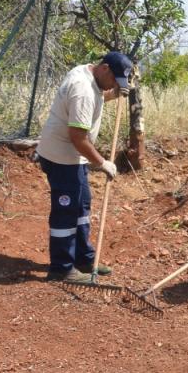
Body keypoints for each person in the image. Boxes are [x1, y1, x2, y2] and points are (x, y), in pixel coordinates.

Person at [35, 52, 133, 284]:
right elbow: (78, 137)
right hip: (61, 158)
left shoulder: (89, 73)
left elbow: (99, 93)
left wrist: (115, 93)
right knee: (66, 212)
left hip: (73, 158)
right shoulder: (82, 90)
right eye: (114, 81)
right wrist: (102, 163)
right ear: (105, 68)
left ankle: (83, 259)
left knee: (82, 206)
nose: (113, 86)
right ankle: (61, 268)